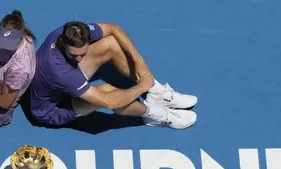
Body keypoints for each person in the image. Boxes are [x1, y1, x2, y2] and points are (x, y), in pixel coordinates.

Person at [29, 21, 198, 130]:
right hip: (53, 109)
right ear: (63, 44)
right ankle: (157, 115)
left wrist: (140, 64)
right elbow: (108, 103)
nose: (80, 59)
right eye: (75, 56)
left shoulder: (71, 32)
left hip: (58, 84)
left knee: (110, 44)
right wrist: (140, 87)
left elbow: (114, 29)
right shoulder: (59, 71)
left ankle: (156, 93)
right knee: (108, 91)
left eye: (83, 53)